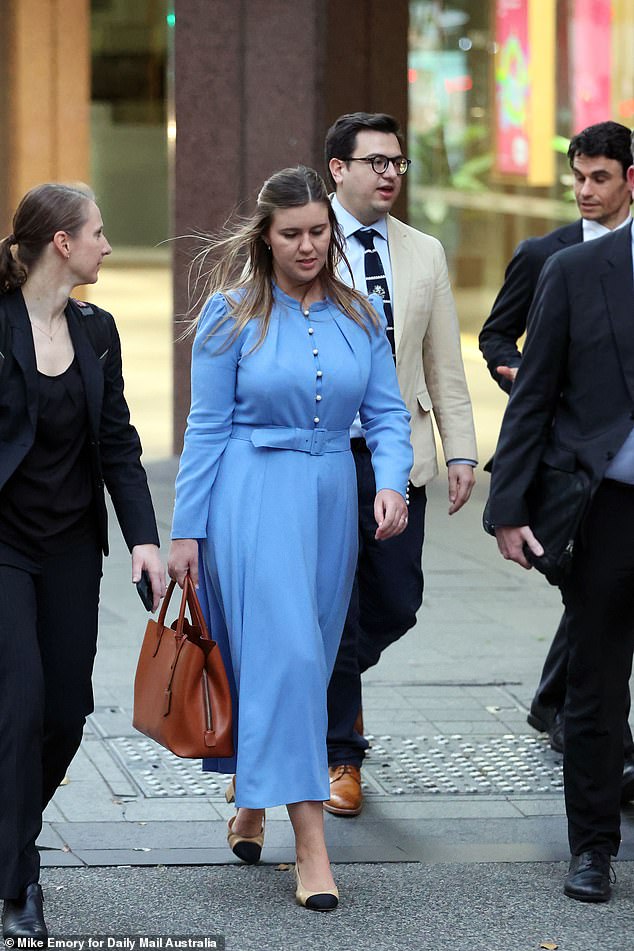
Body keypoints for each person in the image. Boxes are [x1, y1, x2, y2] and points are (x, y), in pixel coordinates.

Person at [167, 165, 412, 911]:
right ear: (265, 237)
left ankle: (251, 796)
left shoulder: (363, 314)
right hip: (252, 494)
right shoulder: (229, 314)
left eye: (318, 232)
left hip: (332, 498)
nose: (308, 245)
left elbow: (389, 416)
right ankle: (312, 848)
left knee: (299, 653)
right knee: (295, 660)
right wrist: (186, 529)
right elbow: (205, 426)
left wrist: (393, 481)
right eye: (292, 234)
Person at [0, 183, 165, 939]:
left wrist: (143, 539)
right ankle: (20, 876)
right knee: (21, 702)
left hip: (71, 547)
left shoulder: (97, 331)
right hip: (3, 547)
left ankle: (7, 831)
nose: (107, 242)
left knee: (67, 712)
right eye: (97, 232)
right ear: (61, 244)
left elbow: (121, 445)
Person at [322, 112, 477, 816]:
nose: (389, 173)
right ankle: (339, 748)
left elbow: (443, 359)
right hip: (319, 455)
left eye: (397, 163)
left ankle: (332, 686)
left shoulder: (423, 252)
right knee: (336, 603)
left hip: (397, 457)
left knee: (396, 601)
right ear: (338, 169)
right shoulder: (303, 239)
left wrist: (461, 449)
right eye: (375, 161)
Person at [487, 169, 634, 902]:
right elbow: (534, 391)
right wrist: (507, 504)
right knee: (597, 687)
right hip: (606, 510)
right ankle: (593, 850)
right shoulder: (574, 270)